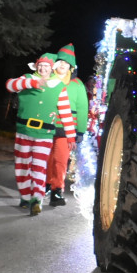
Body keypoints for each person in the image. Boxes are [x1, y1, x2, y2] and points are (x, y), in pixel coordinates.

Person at [5, 53, 62, 215]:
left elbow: (64, 110)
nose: (43, 68)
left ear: (52, 68)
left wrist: (71, 134)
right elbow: (9, 85)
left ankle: (37, 199)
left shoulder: (58, 85)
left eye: (47, 66)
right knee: (22, 165)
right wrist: (32, 82)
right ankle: (25, 196)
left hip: (45, 133)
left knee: (39, 166)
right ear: (36, 66)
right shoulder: (26, 79)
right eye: (41, 65)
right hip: (24, 131)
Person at [46, 43, 89, 207]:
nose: (63, 65)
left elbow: (82, 108)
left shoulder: (77, 85)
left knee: (60, 161)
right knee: (46, 159)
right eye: (60, 62)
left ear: (71, 66)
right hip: (47, 127)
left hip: (66, 130)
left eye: (66, 63)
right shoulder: (48, 81)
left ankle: (57, 191)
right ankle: (45, 185)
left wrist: (80, 131)